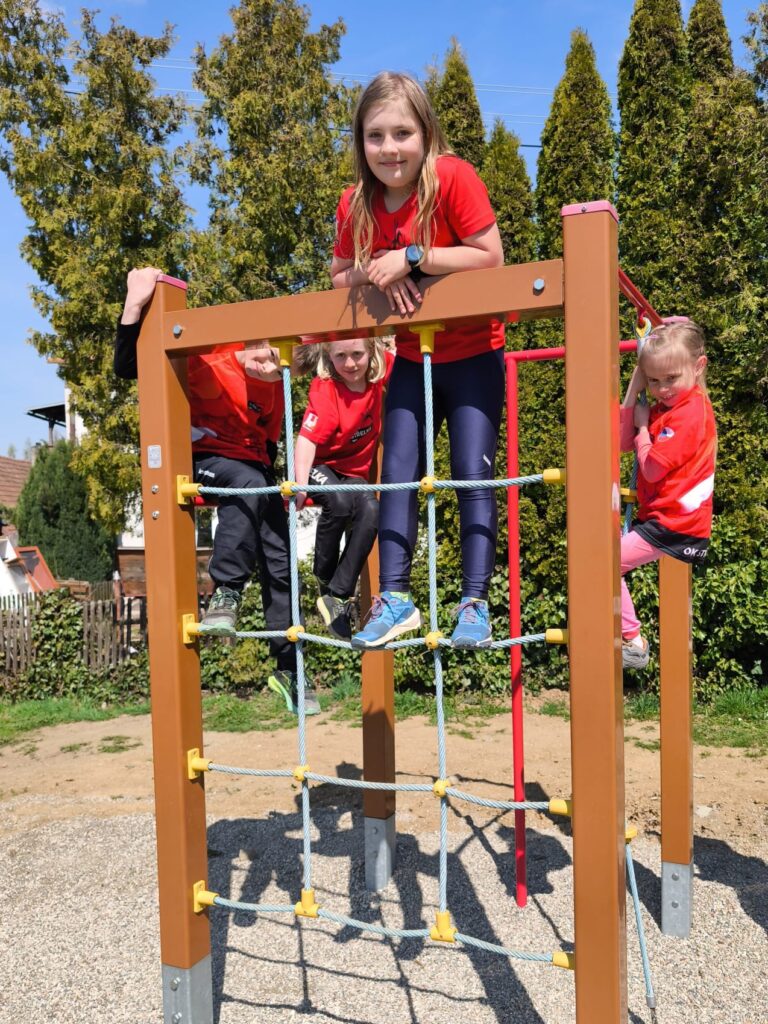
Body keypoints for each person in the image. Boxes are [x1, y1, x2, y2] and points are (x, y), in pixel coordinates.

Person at [330, 71, 505, 650]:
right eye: (375, 136)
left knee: (472, 473)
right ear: (360, 141)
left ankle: (474, 602)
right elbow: (339, 276)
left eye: (402, 133)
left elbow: (490, 256)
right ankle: (397, 598)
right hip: (412, 355)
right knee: (397, 473)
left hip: (475, 352)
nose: (389, 148)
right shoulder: (356, 203)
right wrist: (379, 270)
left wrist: (412, 256)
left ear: (426, 133)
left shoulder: (451, 177)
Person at [114, 267, 319, 715]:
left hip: (248, 470)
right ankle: (226, 592)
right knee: (248, 484)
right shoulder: (209, 352)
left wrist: (278, 497)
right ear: (258, 337)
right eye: (267, 355)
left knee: (280, 550)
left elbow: (266, 446)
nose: (267, 367)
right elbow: (128, 368)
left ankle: (289, 666)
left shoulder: (274, 387)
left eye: (280, 370)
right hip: (198, 459)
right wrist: (133, 306)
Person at [620, 321, 717, 669]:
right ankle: (632, 638)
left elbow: (650, 469)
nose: (662, 389)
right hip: (665, 520)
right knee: (603, 561)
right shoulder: (669, 406)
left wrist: (643, 428)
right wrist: (635, 384)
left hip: (675, 524)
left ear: (698, 366)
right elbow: (620, 442)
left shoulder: (691, 412)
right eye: (654, 380)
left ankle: (633, 642)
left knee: (601, 564)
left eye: (670, 378)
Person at [294, 337, 394, 639]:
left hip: (354, 474)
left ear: (372, 351)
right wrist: (300, 484)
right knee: (338, 501)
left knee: (372, 510)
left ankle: (337, 594)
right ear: (329, 355)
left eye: (357, 354)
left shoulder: (378, 374)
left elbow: (406, 356)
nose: (350, 364)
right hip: (319, 466)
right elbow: (307, 439)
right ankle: (325, 578)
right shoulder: (327, 389)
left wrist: (394, 341)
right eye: (341, 356)